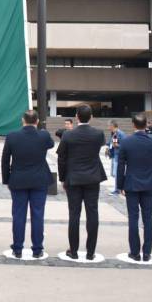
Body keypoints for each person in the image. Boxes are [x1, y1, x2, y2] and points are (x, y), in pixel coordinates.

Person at [1, 110, 55, 258]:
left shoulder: (12, 136)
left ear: (22, 120)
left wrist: (6, 179)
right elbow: (50, 145)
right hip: (39, 180)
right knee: (38, 215)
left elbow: (5, 160)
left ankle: (17, 248)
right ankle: (37, 249)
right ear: (37, 121)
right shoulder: (43, 135)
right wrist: (42, 131)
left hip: (18, 180)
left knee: (18, 215)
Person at [57, 104, 106, 260]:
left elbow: (61, 159)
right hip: (92, 178)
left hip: (74, 178)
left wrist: (63, 178)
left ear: (77, 116)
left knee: (74, 215)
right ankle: (90, 252)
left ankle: (74, 250)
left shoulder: (68, 135)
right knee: (93, 214)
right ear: (90, 117)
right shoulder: (98, 134)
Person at [117, 113, 152, 262]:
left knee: (133, 218)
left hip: (131, 183)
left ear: (133, 125)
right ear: (146, 125)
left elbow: (121, 166)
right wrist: (151, 131)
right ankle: (147, 252)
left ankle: (134, 252)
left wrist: (120, 185)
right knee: (147, 218)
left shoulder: (126, 141)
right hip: (149, 183)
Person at [106, 120, 126, 195]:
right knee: (114, 173)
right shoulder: (113, 133)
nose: (108, 127)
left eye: (109, 126)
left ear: (112, 126)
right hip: (114, 155)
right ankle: (119, 188)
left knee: (117, 173)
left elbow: (125, 146)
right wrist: (108, 147)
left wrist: (117, 145)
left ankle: (118, 190)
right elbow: (111, 143)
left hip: (119, 156)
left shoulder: (121, 134)